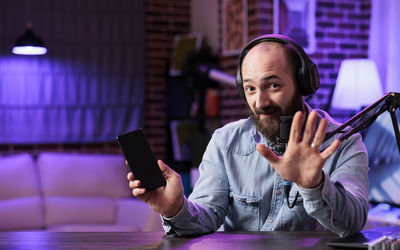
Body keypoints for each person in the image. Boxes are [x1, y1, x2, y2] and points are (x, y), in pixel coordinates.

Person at [127, 34, 369, 237]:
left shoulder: (344, 143)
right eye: (250, 89)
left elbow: (353, 223)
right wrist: (175, 209)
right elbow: (208, 216)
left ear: (302, 83)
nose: (260, 102)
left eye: (273, 85)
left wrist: (314, 185)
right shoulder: (225, 142)